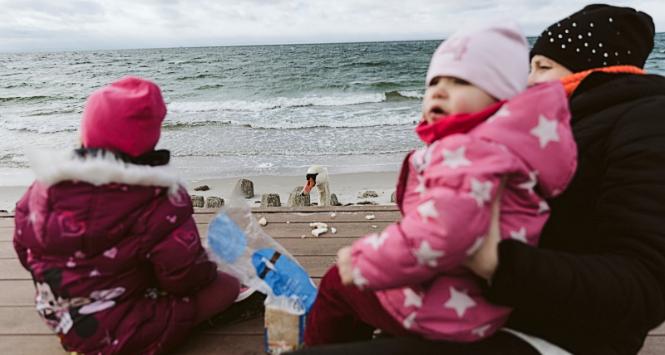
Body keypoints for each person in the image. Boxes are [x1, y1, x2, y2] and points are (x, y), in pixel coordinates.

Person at [292, 4, 665, 355]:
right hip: (478, 301)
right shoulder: (539, 130)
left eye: (541, 66)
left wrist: (494, 261)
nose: (527, 81)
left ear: (594, 69)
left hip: (553, 336)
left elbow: (645, 287)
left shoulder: (646, 120)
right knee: (342, 285)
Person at [303, 22, 577, 347]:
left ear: (501, 98)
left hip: (446, 309)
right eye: (433, 82)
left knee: (339, 285)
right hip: (470, 299)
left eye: (460, 81)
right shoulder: (508, 149)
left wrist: (366, 260)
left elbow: (442, 232)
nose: (438, 92)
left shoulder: (470, 152)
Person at [12, 76, 254, 354]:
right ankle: (172, 328)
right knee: (226, 286)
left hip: (58, 314)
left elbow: (23, 248)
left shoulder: (44, 187)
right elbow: (185, 276)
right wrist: (211, 272)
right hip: (119, 332)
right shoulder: (158, 199)